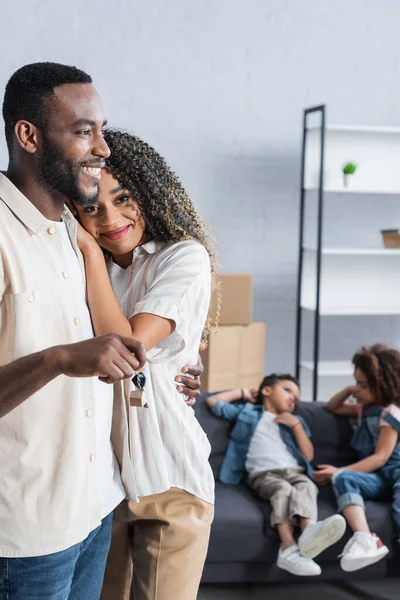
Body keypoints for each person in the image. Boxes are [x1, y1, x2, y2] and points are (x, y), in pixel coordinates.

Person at [0, 62, 201, 600]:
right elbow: (96, 351)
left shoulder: (76, 231)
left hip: (97, 505)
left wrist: (178, 374)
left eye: (102, 129)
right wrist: (58, 359)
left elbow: (136, 349)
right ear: (29, 136)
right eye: (84, 130)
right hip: (28, 533)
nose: (103, 147)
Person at [73, 129, 218, 600]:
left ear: (149, 191)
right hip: (100, 484)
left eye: (123, 198)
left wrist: (91, 252)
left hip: (169, 475)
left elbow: (129, 347)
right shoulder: (74, 268)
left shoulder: (183, 257)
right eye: (92, 207)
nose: (110, 218)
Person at [207, 374, 346, 576]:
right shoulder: (248, 412)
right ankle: (287, 547)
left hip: (295, 471)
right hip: (263, 473)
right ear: (267, 391)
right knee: (283, 490)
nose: (293, 398)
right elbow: (214, 403)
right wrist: (243, 393)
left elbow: (308, 455)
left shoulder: (295, 421)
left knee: (307, 486)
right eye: (288, 390)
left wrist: (296, 426)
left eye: (296, 397)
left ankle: (309, 533)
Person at [315, 343, 400, 572]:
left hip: (395, 473)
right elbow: (333, 407)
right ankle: (365, 538)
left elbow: (381, 457)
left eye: (363, 385)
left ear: (383, 384)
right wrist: (348, 390)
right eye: (357, 383)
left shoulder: (392, 414)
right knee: (343, 479)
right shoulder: (365, 409)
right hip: (380, 478)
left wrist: (339, 469)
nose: (358, 389)